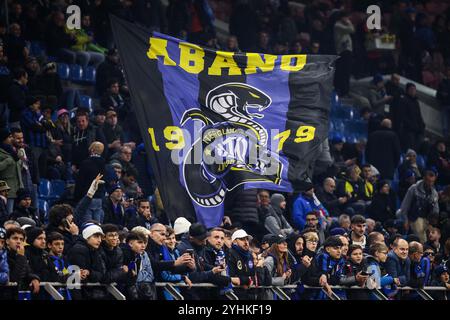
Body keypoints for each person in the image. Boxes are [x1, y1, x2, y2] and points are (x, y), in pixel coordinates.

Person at [227, 229, 270, 300]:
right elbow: (231, 276)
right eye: (242, 239)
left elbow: (253, 276)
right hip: (235, 295)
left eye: (247, 239)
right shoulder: (230, 253)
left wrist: (248, 280)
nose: (246, 242)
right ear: (234, 241)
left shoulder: (249, 255)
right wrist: (245, 281)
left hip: (249, 294)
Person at [67, 223, 106, 300]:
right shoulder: (79, 249)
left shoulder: (94, 250)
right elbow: (79, 278)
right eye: (95, 237)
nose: (99, 240)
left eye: (100, 237)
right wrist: (88, 274)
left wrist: (89, 273)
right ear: (86, 237)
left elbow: (101, 274)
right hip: (81, 293)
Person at [400, 168, 439, 243]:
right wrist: (405, 220)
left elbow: (436, 209)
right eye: (428, 181)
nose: (430, 184)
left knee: (434, 236)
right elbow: (405, 206)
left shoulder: (434, 193)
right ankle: (423, 251)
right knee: (422, 237)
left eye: (432, 182)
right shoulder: (414, 189)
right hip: (414, 217)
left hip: (428, 219)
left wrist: (433, 222)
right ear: (424, 178)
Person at [304, 236, 346, 300]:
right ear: (328, 249)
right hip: (312, 295)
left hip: (326, 295)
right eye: (336, 248)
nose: (339, 251)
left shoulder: (341, 260)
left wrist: (327, 277)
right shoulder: (322, 256)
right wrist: (325, 277)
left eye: (340, 248)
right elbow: (322, 273)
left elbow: (337, 279)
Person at [74, 142, 106, 223]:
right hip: (99, 198)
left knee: (88, 224)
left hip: (87, 197)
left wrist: (76, 196)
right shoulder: (103, 164)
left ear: (91, 150)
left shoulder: (86, 163)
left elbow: (80, 182)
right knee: (97, 223)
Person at [5, 227, 40, 300]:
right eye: (15, 238)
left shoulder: (21, 255)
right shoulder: (4, 257)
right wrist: (20, 256)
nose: (18, 241)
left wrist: (34, 278)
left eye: (21, 239)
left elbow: (28, 271)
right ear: (7, 241)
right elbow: (14, 279)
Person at [121, 231, 155, 300]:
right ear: (130, 243)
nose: (143, 246)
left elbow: (137, 276)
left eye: (144, 243)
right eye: (140, 242)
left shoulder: (137, 256)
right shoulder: (122, 254)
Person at [161, 227, 192, 300]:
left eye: (173, 238)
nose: (172, 241)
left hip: (177, 289)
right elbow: (165, 276)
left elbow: (181, 270)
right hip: (165, 290)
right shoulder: (161, 253)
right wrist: (182, 277)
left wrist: (189, 267)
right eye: (168, 239)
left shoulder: (176, 251)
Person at [0, 128, 22, 214]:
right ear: (3, 139)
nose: (11, 139)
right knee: (8, 214)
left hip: (17, 188)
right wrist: (7, 162)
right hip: (6, 189)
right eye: (9, 137)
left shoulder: (13, 151)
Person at [398, 83, 425, 151]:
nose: (413, 91)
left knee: (416, 149)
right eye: (411, 89)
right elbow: (402, 116)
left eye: (414, 89)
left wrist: (422, 125)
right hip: (408, 130)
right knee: (410, 149)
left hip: (418, 130)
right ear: (407, 90)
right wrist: (411, 126)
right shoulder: (403, 100)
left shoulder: (416, 101)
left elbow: (419, 115)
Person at [333, 10, 354, 97]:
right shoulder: (338, 25)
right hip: (342, 51)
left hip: (347, 51)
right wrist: (348, 22)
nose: (347, 19)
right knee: (342, 72)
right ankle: (341, 91)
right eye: (346, 17)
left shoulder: (342, 25)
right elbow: (352, 29)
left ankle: (345, 91)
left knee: (346, 72)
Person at [46, 232, 71, 299]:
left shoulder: (64, 260)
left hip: (65, 295)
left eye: (62, 244)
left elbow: (66, 274)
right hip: (51, 296)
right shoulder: (46, 260)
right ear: (49, 245)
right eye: (57, 244)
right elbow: (55, 278)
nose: (60, 247)